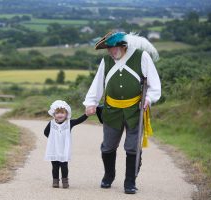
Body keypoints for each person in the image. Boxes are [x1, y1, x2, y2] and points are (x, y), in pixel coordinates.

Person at [83, 31, 161, 194]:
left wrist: (149, 99)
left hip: (135, 110)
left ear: (123, 46)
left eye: (114, 48)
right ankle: (109, 175)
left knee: (132, 148)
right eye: (109, 48)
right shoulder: (106, 61)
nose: (111, 51)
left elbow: (154, 84)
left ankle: (130, 182)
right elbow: (98, 83)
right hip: (111, 110)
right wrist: (91, 102)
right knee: (108, 147)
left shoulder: (142, 56)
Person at [44, 100, 88, 189]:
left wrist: (87, 114)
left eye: (62, 113)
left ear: (66, 114)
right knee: (55, 166)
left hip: (64, 148)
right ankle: (55, 181)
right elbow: (46, 132)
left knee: (64, 165)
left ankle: (65, 181)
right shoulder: (51, 123)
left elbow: (79, 120)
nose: (60, 115)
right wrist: (54, 139)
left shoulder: (69, 123)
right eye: (57, 113)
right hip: (54, 148)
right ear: (54, 114)